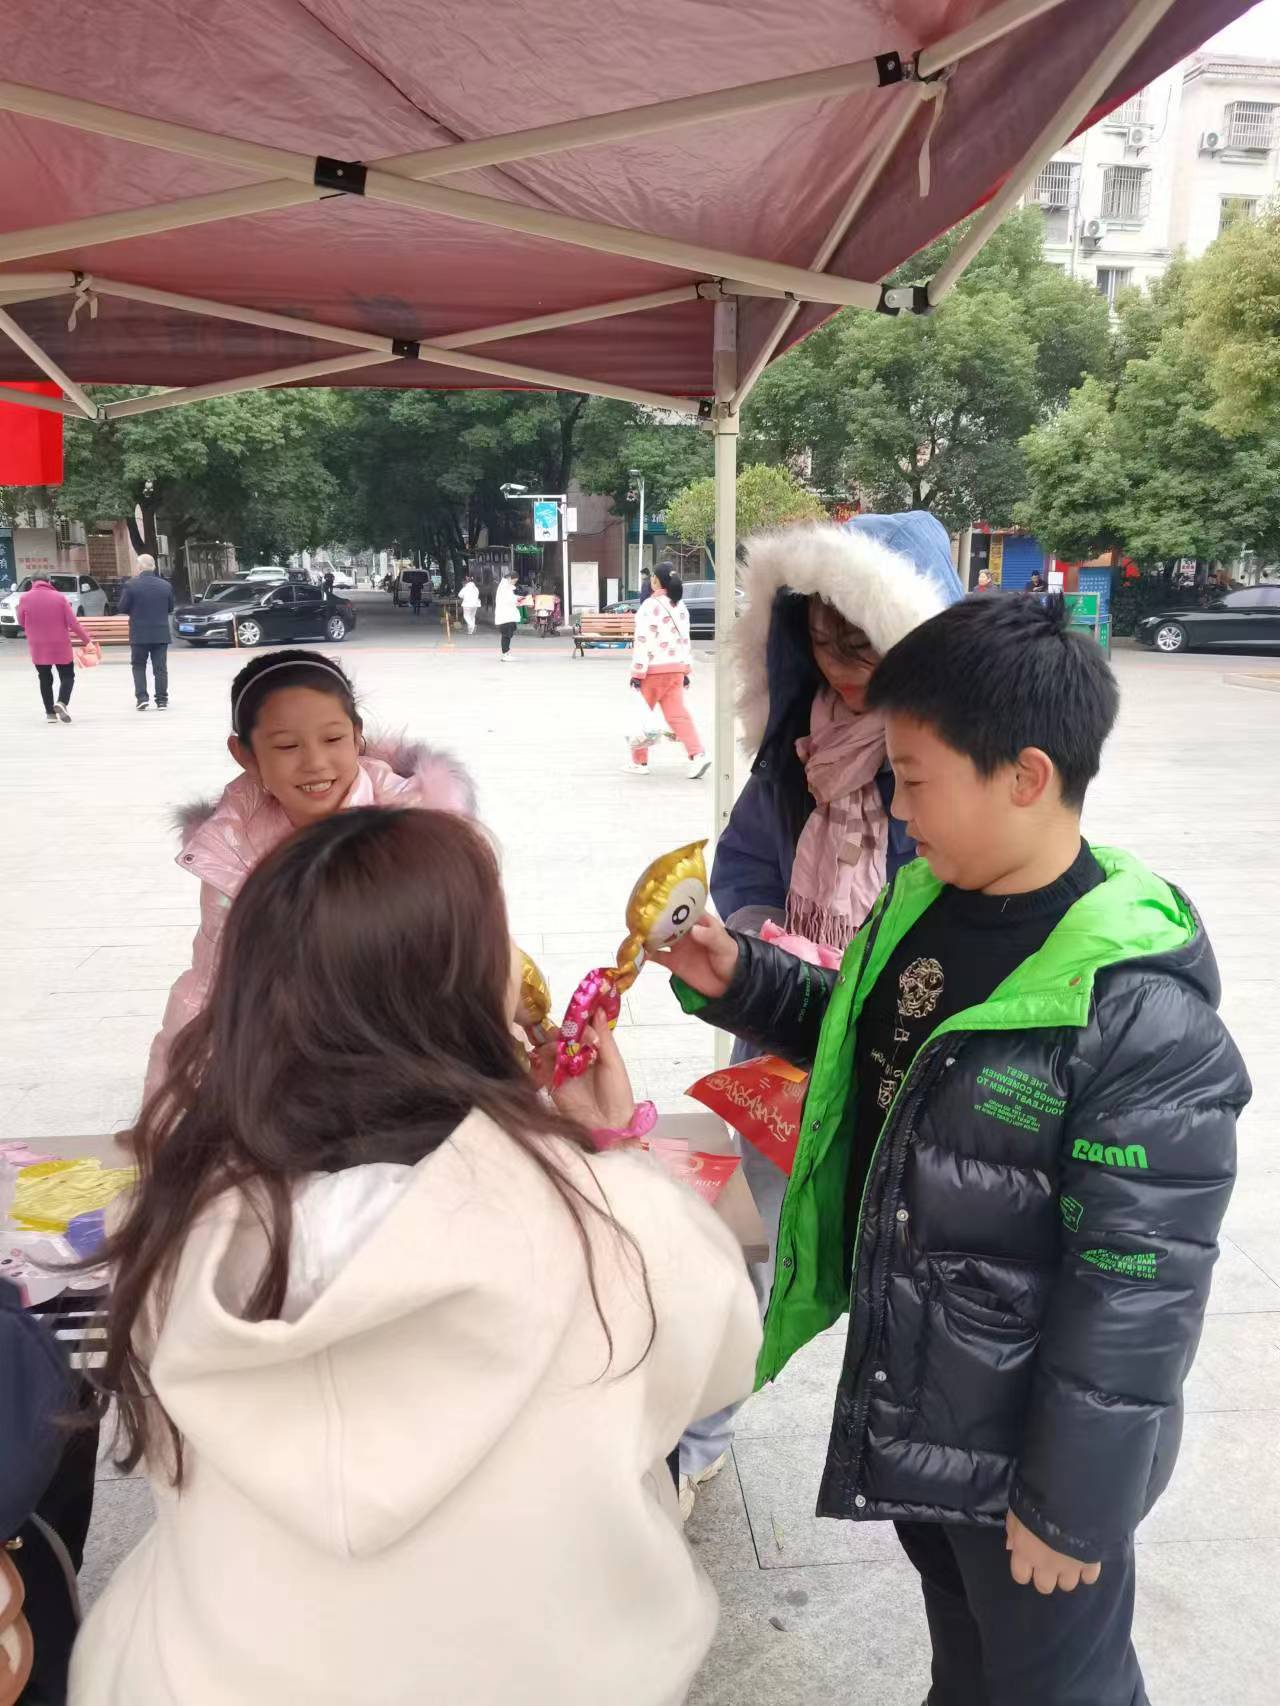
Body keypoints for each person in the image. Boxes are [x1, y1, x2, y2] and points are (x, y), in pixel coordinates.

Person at [660, 594, 1249, 1706]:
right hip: (928, 1396)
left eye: (914, 778)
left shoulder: (1134, 1011)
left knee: (1061, 1683)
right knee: (969, 1656)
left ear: (1025, 776)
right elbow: (875, 1041)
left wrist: (1071, 1503)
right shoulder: (924, 899)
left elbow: (1137, 1284)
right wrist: (741, 979)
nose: (895, 805)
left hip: (1035, 1449)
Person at [72, 808, 760, 1706]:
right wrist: (604, 1149)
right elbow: (719, 1360)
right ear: (463, 994)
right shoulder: (611, 1222)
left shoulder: (178, 1221)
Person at [677, 513, 960, 1508]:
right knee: (757, 1244)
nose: (842, 665)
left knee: (919, 1261)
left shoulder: (952, 761)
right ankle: (700, 1428)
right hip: (783, 1044)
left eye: (864, 642)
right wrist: (766, 944)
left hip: (912, 1054)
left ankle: (931, 1443)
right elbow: (744, 867)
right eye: (824, 640)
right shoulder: (792, 754)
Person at [143, 649, 474, 1102]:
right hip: (295, 1080)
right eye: (287, 746)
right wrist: (170, 1107)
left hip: (415, 1060)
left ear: (357, 736)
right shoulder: (235, 849)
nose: (315, 762)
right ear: (245, 755)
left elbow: (468, 967)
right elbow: (210, 986)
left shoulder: (419, 828)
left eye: (333, 738)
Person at [628, 562, 710, 780]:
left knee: (642, 715)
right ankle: (697, 754)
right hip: (675, 669)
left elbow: (642, 640)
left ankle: (639, 761)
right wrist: (685, 669)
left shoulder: (649, 606)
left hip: (652, 671)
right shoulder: (680, 606)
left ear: (656, 581)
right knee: (678, 715)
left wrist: (637, 672)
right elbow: (685, 639)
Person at [16, 572, 90, 724]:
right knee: (67, 675)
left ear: (32, 582)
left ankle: (50, 714)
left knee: (44, 678)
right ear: (49, 581)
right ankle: (62, 702)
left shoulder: (24, 598)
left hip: (38, 644)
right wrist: (87, 641)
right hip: (60, 643)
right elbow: (73, 623)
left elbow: (21, 622)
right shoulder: (59, 598)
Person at [117, 553, 175, 712]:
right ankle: (162, 700)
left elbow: (122, 607)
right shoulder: (165, 585)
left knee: (138, 666)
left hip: (139, 633)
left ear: (139, 567)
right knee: (160, 668)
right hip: (160, 633)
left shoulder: (131, 585)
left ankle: (142, 698)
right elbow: (170, 608)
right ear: (154, 566)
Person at [494, 569, 519, 659]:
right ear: (509, 578)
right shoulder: (504, 588)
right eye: (514, 581)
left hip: (508, 615)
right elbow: (508, 600)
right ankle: (505, 654)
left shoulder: (506, 586)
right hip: (505, 616)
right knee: (506, 635)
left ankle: (507, 652)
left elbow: (511, 598)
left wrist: (518, 599)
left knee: (508, 634)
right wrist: (518, 600)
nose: (514, 583)